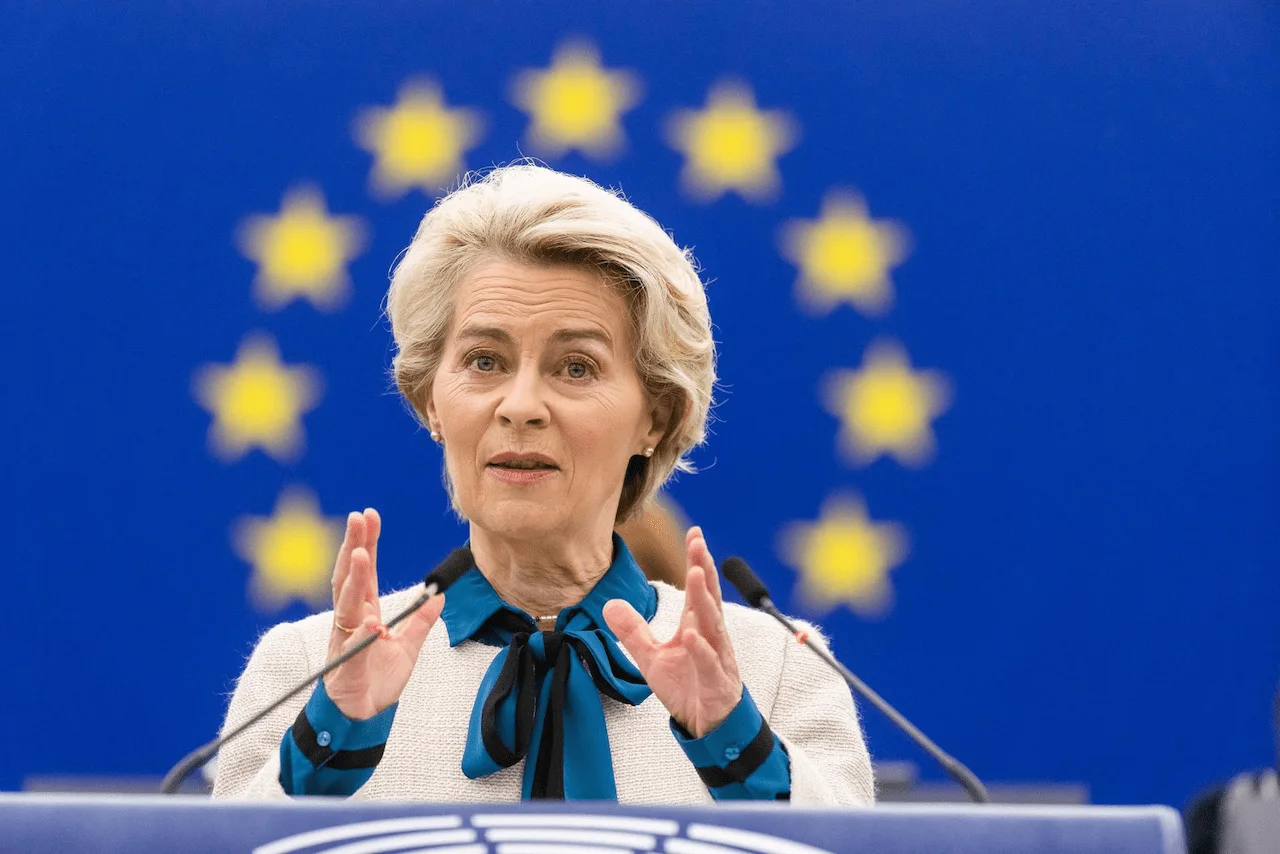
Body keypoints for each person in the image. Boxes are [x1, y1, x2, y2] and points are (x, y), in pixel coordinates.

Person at [212, 163, 875, 804]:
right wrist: (332, 741)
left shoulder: (777, 669)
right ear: (431, 402)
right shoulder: (308, 669)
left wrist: (737, 743)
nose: (520, 404)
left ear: (657, 415)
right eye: (484, 360)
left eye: (576, 367)